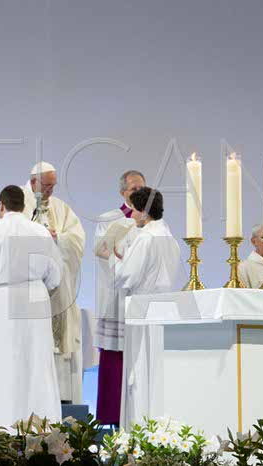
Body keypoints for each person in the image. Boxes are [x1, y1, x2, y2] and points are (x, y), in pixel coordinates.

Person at [0, 185, 63, 431]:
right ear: (24, 206)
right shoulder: (40, 232)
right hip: (36, 298)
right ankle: (42, 430)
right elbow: (55, 275)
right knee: (37, 364)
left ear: (1, 205)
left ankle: (2, 430)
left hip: (2, 301)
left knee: (4, 367)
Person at [113, 187, 181, 427]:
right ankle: (159, 425)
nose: (131, 214)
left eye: (133, 209)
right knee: (157, 368)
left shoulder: (145, 238)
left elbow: (126, 277)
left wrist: (120, 261)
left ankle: (140, 426)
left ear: (144, 211)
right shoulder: (170, 238)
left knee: (140, 369)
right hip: (165, 308)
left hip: (142, 306)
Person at [21, 162, 85, 403]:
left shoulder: (60, 207)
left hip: (58, 289)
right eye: (46, 185)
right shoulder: (19, 205)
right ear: (33, 182)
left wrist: (59, 239)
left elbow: (77, 239)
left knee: (57, 342)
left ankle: (61, 397)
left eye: (53, 186)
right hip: (30, 288)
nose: (50, 190)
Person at [93, 170, 145, 425]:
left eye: (142, 189)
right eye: (134, 189)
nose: (139, 193)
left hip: (140, 296)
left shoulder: (150, 221)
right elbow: (104, 255)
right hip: (117, 297)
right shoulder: (109, 220)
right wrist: (127, 267)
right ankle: (113, 417)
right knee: (115, 359)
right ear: (123, 192)